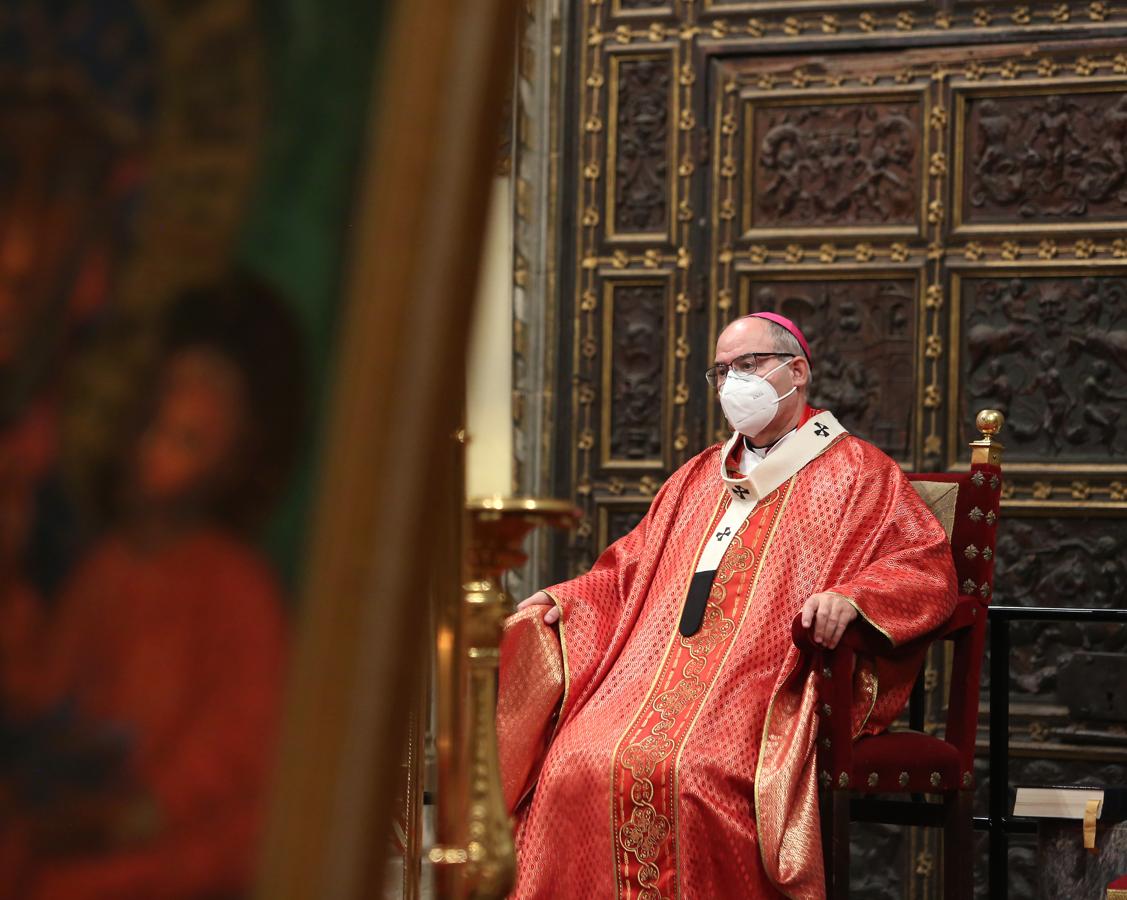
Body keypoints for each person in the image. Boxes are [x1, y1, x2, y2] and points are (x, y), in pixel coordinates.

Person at [500, 312, 957, 899]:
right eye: (721, 371)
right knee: (573, 763)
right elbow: (628, 571)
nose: (733, 381)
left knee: (691, 776)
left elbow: (921, 564)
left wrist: (853, 598)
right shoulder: (699, 477)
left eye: (749, 365)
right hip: (651, 677)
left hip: (765, 684)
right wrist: (564, 599)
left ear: (797, 372)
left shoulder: (858, 473)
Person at [0, 277, 303, 900]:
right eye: (154, 421)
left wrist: (134, 817)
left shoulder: (236, 590)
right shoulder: (104, 566)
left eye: (188, 437)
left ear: (235, 456)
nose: (155, 449)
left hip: (165, 853)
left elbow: (238, 750)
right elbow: (54, 694)